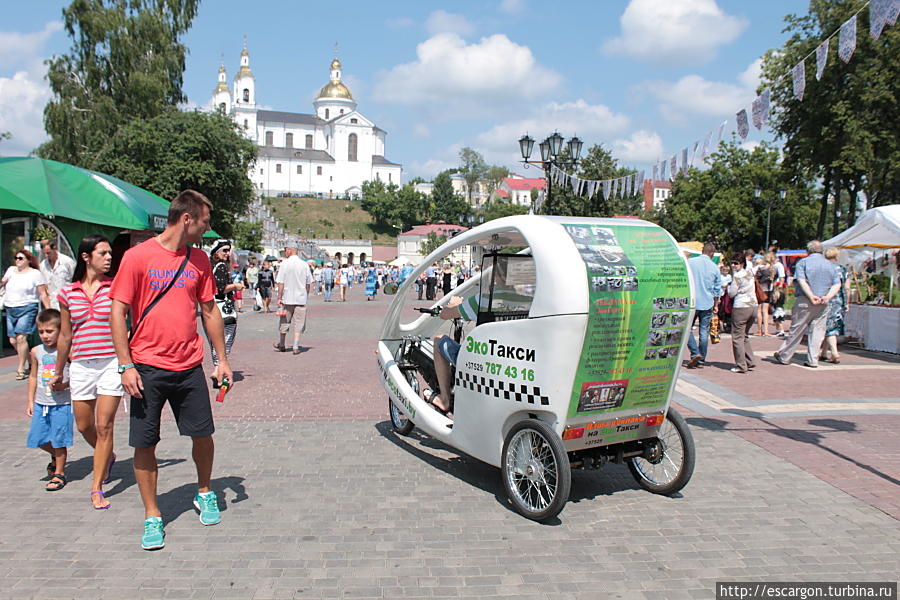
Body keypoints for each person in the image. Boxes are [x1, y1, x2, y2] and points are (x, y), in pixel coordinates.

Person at [109, 189, 232, 550]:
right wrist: (125, 365)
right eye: (206, 221)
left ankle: (205, 491)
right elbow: (117, 312)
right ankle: (152, 514)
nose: (208, 229)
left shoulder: (200, 261)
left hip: (189, 364)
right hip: (146, 366)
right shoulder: (138, 257)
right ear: (188, 219)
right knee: (145, 443)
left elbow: (209, 311)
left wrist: (221, 359)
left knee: (202, 434)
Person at [55, 235, 123, 509]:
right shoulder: (67, 293)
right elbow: (65, 335)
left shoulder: (116, 287)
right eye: (103, 253)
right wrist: (59, 371)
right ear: (86, 257)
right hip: (81, 364)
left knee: (104, 425)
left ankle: (96, 487)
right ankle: (107, 455)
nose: (109, 258)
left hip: (110, 363)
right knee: (84, 425)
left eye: (110, 253)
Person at [774, 240, 841, 368]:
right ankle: (813, 360)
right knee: (818, 332)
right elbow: (837, 284)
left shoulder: (803, 262)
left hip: (805, 300)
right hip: (823, 302)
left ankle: (785, 355)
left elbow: (801, 280)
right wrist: (827, 297)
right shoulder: (831, 265)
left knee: (797, 329)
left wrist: (811, 296)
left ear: (808, 250)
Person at [26, 308, 72, 492]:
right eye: (41, 331)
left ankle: (59, 473)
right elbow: (32, 376)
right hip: (41, 403)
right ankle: (56, 456)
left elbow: (76, 375)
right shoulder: (36, 351)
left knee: (59, 440)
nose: (45, 336)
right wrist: (30, 400)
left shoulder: (67, 350)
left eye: (49, 331)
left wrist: (65, 385)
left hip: (62, 404)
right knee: (37, 438)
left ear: (61, 331)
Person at [2, 249, 51, 379]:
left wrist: (49, 311)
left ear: (29, 260)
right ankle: (32, 361)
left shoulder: (35, 274)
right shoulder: (11, 270)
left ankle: (21, 369)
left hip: (28, 307)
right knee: (13, 340)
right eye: (16, 258)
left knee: (21, 338)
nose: (17, 260)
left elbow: (43, 293)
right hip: (10, 307)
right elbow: (3, 282)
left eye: (20, 258)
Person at [686, 242, 722, 368]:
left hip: (692, 302)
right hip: (707, 302)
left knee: (687, 329)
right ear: (712, 253)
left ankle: (695, 352)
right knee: (703, 331)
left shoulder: (691, 262)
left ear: (702, 250)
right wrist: (716, 304)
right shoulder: (715, 267)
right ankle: (701, 359)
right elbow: (717, 289)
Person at [208, 240, 243, 367]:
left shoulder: (209, 264)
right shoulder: (221, 266)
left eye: (229, 250)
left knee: (215, 340)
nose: (227, 253)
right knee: (225, 339)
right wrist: (235, 286)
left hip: (211, 306)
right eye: (225, 250)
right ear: (217, 251)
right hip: (223, 307)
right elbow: (221, 288)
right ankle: (220, 368)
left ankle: (218, 367)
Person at [274, 244, 313, 354]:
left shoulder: (284, 264)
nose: (285, 252)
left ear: (290, 250)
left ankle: (282, 344)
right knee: (299, 323)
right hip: (301, 298)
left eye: (286, 250)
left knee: (284, 321)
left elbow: (280, 282)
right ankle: (295, 346)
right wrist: (306, 294)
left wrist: (279, 297)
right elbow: (308, 283)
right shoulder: (304, 264)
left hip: (287, 298)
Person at [429, 295, 465, 415]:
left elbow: (444, 314)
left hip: (475, 360)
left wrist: (454, 303)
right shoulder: (522, 301)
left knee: (439, 339)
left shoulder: (484, 301)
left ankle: (444, 399)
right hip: (504, 357)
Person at [727, 252, 758, 373]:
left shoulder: (737, 276)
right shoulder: (749, 273)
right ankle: (750, 361)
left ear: (742, 264)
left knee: (737, 337)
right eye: (733, 263)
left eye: (736, 263)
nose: (734, 265)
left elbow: (731, 294)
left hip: (741, 307)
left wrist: (729, 287)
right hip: (753, 306)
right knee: (744, 336)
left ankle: (741, 365)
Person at [820, 247, 851, 364]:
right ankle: (823, 352)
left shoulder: (824, 268)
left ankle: (834, 353)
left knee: (829, 327)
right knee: (833, 326)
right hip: (840, 301)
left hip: (827, 299)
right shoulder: (843, 269)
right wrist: (847, 302)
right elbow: (847, 288)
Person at [39, 238, 76, 309]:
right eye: (44, 253)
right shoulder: (43, 265)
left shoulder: (67, 262)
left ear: (54, 248)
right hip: (51, 304)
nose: (46, 256)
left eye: (48, 253)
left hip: (66, 303)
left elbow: (75, 279)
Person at [754, 256, 774, 336]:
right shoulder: (772, 269)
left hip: (760, 290)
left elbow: (756, 277)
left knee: (759, 310)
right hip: (768, 290)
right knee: (765, 311)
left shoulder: (760, 269)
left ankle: (759, 331)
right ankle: (766, 331)